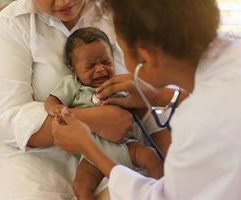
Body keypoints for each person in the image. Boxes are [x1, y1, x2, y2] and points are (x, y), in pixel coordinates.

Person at [51, 0, 241, 199]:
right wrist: (160, 96)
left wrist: (88, 147)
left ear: (146, 57)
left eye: (118, 51)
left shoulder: (197, 127)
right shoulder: (233, 51)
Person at [0, 0, 146, 199]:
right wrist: (94, 119)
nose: (64, 1)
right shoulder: (13, 24)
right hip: (30, 150)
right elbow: (8, 116)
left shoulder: (115, 12)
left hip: (114, 142)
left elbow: (151, 83)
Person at [45, 27, 164, 199]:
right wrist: (55, 109)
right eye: (91, 66)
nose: (100, 69)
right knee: (80, 186)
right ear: (74, 70)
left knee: (152, 156)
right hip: (91, 152)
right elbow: (52, 100)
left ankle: (162, 193)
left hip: (126, 147)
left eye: (106, 62)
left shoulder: (118, 83)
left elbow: (138, 109)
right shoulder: (73, 85)